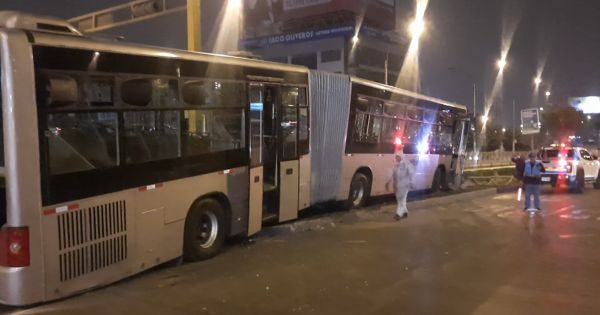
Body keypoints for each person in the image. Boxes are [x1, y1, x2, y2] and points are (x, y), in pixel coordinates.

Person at [386, 151, 416, 220]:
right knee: (400, 199)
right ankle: (405, 212)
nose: (396, 158)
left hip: (405, 185)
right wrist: (388, 182)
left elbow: (411, 174)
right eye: (396, 156)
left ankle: (398, 214)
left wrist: (412, 183)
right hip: (399, 185)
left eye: (398, 156)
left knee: (401, 199)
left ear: (401, 157)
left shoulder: (406, 164)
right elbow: (392, 174)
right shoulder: (396, 165)